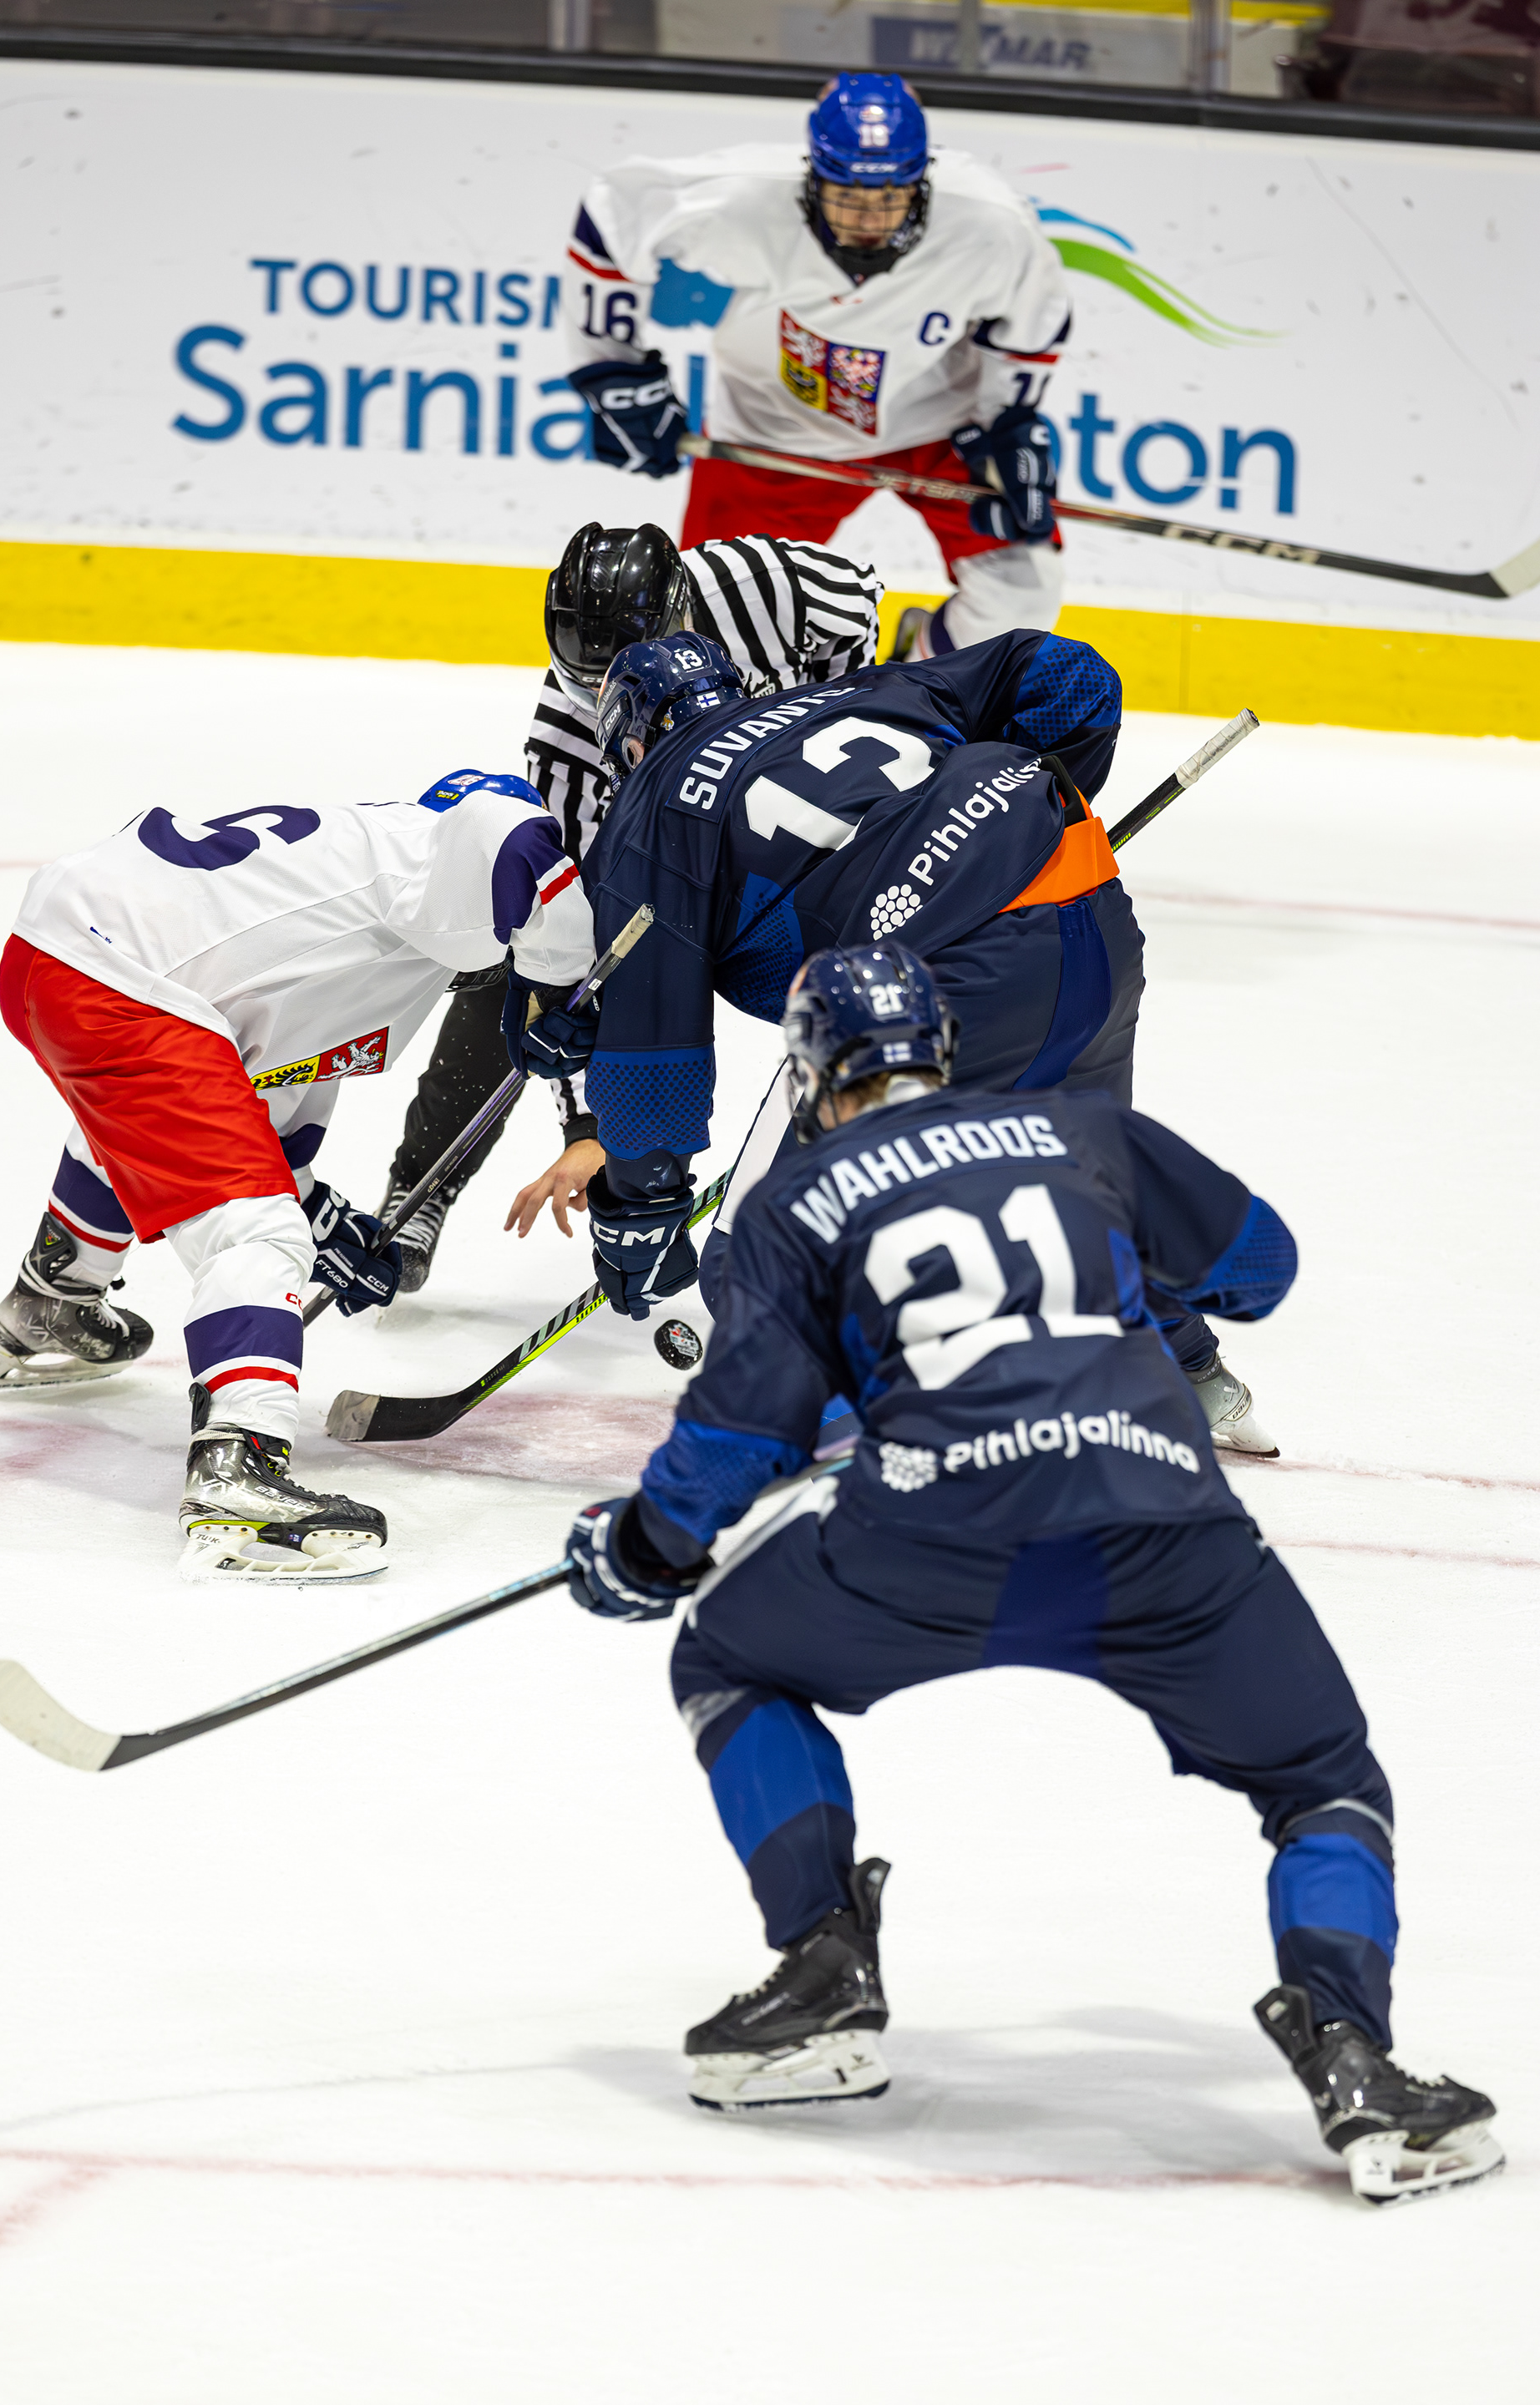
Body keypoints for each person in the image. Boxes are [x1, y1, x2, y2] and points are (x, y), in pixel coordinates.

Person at [562, 942, 1502, 2206]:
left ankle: (824, 1972)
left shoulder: (795, 1204)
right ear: (943, 1053)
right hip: (1162, 1532)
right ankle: (1357, 2062)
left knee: (728, 1660)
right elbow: (1260, 1269)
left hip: (934, 1538)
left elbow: (741, 1437)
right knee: (1320, 1778)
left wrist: (643, 1549)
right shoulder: (1081, 1133)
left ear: (814, 1078)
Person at [514, 625, 1274, 1456]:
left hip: (932, 984)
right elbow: (1071, 675)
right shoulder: (865, 690)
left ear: (630, 741)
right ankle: (1197, 1380)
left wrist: (639, 1210)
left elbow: (655, 1060)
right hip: (1092, 921)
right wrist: (1005, 820)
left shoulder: (653, 806)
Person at [0, 769, 593, 1582]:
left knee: (156, 1126)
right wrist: (564, 991)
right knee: (256, 1230)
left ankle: (54, 1295)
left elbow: (253, 1132)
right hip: (113, 977)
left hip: (67, 958)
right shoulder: (425, 851)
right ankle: (238, 1469)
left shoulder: (332, 925)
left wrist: (330, 1227)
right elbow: (506, 836)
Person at [376, 519, 884, 1297]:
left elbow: (857, 608)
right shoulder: (568, 752)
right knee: (507, 967)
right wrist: (590, 1127)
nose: (604, 698)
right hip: (697, 860)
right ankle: (425, 1182)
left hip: (805, 822)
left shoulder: (766, 587)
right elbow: (568, 949)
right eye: (585, 680)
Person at [563, 73, 1070, 656]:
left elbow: (1033, 322)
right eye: (848, 197)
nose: (869, 220)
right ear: (813, 178)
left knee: (1022, 596)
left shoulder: (988, 219)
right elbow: (613, 212)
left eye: (890, 198)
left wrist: (1009, 427)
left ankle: (913, 682)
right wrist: (617, 375)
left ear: (921, 183)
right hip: (773, 429)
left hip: (938, 426)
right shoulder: (747, 195)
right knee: (715, 628)